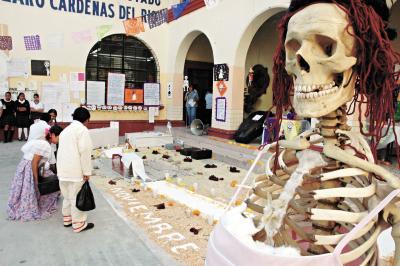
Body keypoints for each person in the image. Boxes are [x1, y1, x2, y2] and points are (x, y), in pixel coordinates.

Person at [7, 125, 63, 221]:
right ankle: (33, 205)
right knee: (35, 187)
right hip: (29, 167)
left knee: (31, 188)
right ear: (53, 135)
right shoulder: (45, 145)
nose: (60, 140)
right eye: (59, 137)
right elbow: (34, 162)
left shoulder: (44, 143)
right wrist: (36, 180)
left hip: (27, 166)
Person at [57, 107, 94, 233]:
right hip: (75, 170)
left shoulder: (65, 131)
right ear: (86, 119)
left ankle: (67, 219)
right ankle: (78, 224)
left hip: (62, 170)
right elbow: (85, 151)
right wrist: (87, 172)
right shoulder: (82, 130)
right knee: (76, 197)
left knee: (67, 196)